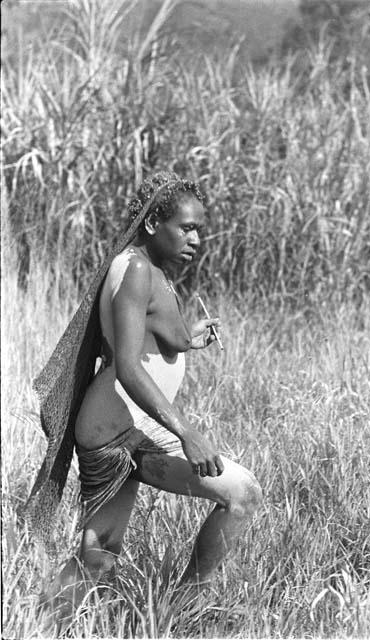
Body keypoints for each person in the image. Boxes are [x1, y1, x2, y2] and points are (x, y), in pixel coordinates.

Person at [35, 171, 262, 617]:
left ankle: (37, 623)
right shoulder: (138, 270)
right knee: (243, 494)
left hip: (119, 428)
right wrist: (186, 433)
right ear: (154, 222)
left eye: (200, 228)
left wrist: (187, 339)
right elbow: (129, 365)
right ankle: (185, 609)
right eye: (186, 227)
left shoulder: (148, 268)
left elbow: (151, 337)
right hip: (122, 435)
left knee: (98, 557)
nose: (196, 238)